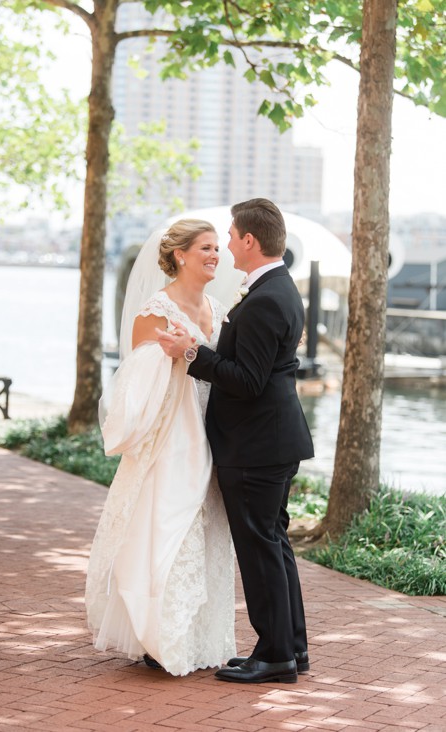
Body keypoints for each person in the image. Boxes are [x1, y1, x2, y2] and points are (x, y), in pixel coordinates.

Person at [158, 198, 314, 684]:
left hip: (257, 445)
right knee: (274, 544)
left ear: (249, 240)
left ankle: (274, 656)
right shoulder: (275, 288)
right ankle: (290, 648)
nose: (226, 244)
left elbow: (245, 380)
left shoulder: (267, 297)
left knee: (260, 548)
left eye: (229, 236)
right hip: (270, 440)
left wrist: (191, 353)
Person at [85, 218, 237, 676]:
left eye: (216, 249)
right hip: (173, 437)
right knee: (167, 530)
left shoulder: (215, 305)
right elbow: (134, 381)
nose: (214, 256)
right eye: (206, 248)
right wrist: (167, 355)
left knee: (206, 532)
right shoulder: (156, 309)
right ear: (179, 255)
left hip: (215, 433)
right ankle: (159, 637)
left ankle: (195, 637)